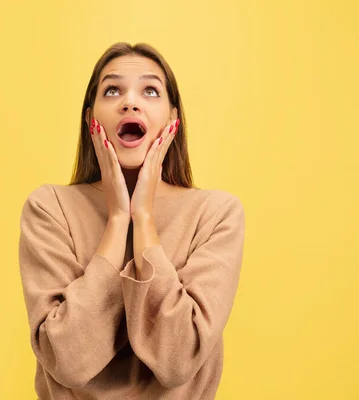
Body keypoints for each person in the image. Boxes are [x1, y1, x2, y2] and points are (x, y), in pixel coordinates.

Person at [18, 42, 245, 400]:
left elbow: (178, 360)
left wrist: (144, 220)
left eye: (150, 90)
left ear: (173, 119)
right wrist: (118, 219)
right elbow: (68, 360)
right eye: (113, 90)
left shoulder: (216, 214)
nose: (130, 102)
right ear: (91, 117)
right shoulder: (50, 207)